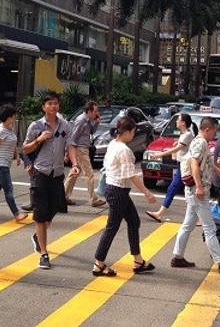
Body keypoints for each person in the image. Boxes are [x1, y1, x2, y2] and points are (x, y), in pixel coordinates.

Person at [170, 116, 220, 276]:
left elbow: (209, 164)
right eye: (215, 130)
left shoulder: (201, 143)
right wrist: (200, 187)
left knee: (188, 224)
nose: (216, 134)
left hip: (196, 191)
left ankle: (177, 257)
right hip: (197, 191)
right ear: (207, 129)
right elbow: (194, 164)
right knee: (209, 227)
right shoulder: (199, 143)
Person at [92, 116, 157, 277]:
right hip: (118, 191)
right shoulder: (124, 150)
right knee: (112, 227)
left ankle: (138, 260)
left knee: (134, 222)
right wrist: (147, 193)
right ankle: (98, 264)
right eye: (133, 132)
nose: (134, 135)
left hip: (115, 189)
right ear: (126, 132)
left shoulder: (114, 143)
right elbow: (132, 175)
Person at [22, 91, 80, 270]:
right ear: (44, 107)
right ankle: (44, 254)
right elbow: (25, 148)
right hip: (40, 173)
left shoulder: (65, 125)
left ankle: (37, 236)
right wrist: (39, 139)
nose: (53, 106)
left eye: (55, 103)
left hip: (57, 174)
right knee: (40, 214)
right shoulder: (36, 126)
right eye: (49, 104)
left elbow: (70, 145)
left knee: (54, 209)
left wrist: (75, 163)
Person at [146, 113, 197, 222]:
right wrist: (175, 144)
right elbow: (179, 146)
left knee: (178, 189)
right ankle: (197, 217)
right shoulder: (184, 134)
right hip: (181, 166)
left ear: (183, 122)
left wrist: (160, 155)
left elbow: (177, 148)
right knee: (188, 191)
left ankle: (160, 214)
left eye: (178, 120)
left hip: (185, 167)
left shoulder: (187, 135)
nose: (176, 122)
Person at [64, 101, 105, 208]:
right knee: (89, 174)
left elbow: (91, 131)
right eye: (95, 111)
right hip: (80, 150)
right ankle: (94, 199)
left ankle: (63, 196)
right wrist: (67, 153)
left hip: (84, 149)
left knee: (74, 174)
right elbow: (73, 137)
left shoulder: (88, 120)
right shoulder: (81, 120)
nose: (97, 113)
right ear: (89, 111)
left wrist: (97, 122)